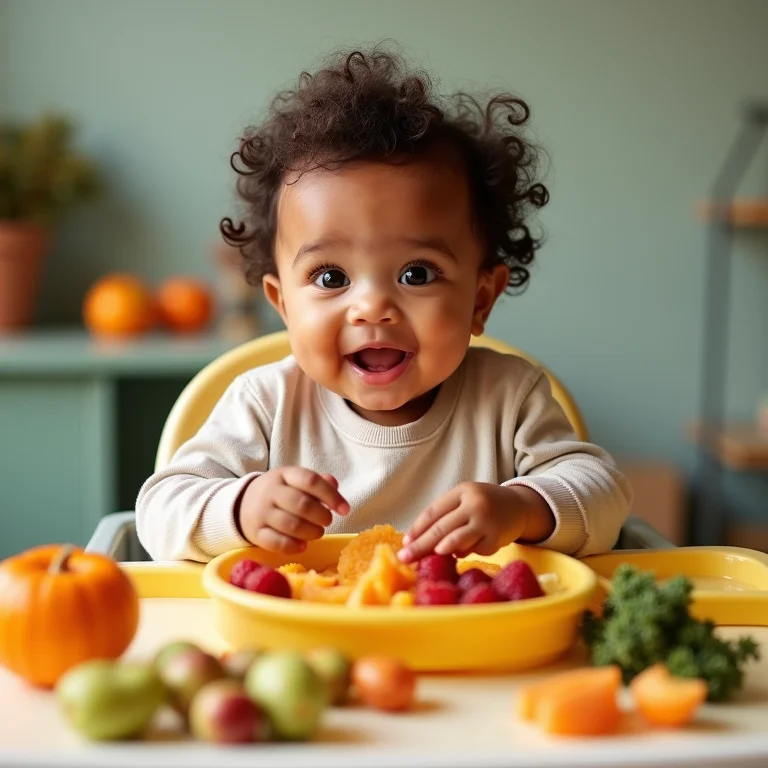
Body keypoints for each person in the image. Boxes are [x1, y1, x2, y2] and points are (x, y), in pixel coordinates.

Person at [136, 46, 632, 564]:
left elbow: (605, 494)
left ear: (480, 298)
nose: (372, 306)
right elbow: (158, 511)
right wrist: (240, 509)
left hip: (468, 638)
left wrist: (522, 507)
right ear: (283, 305)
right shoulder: (265, 405)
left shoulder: (510, 399)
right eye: (331, 277)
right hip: (304, 636)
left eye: (416, 273)